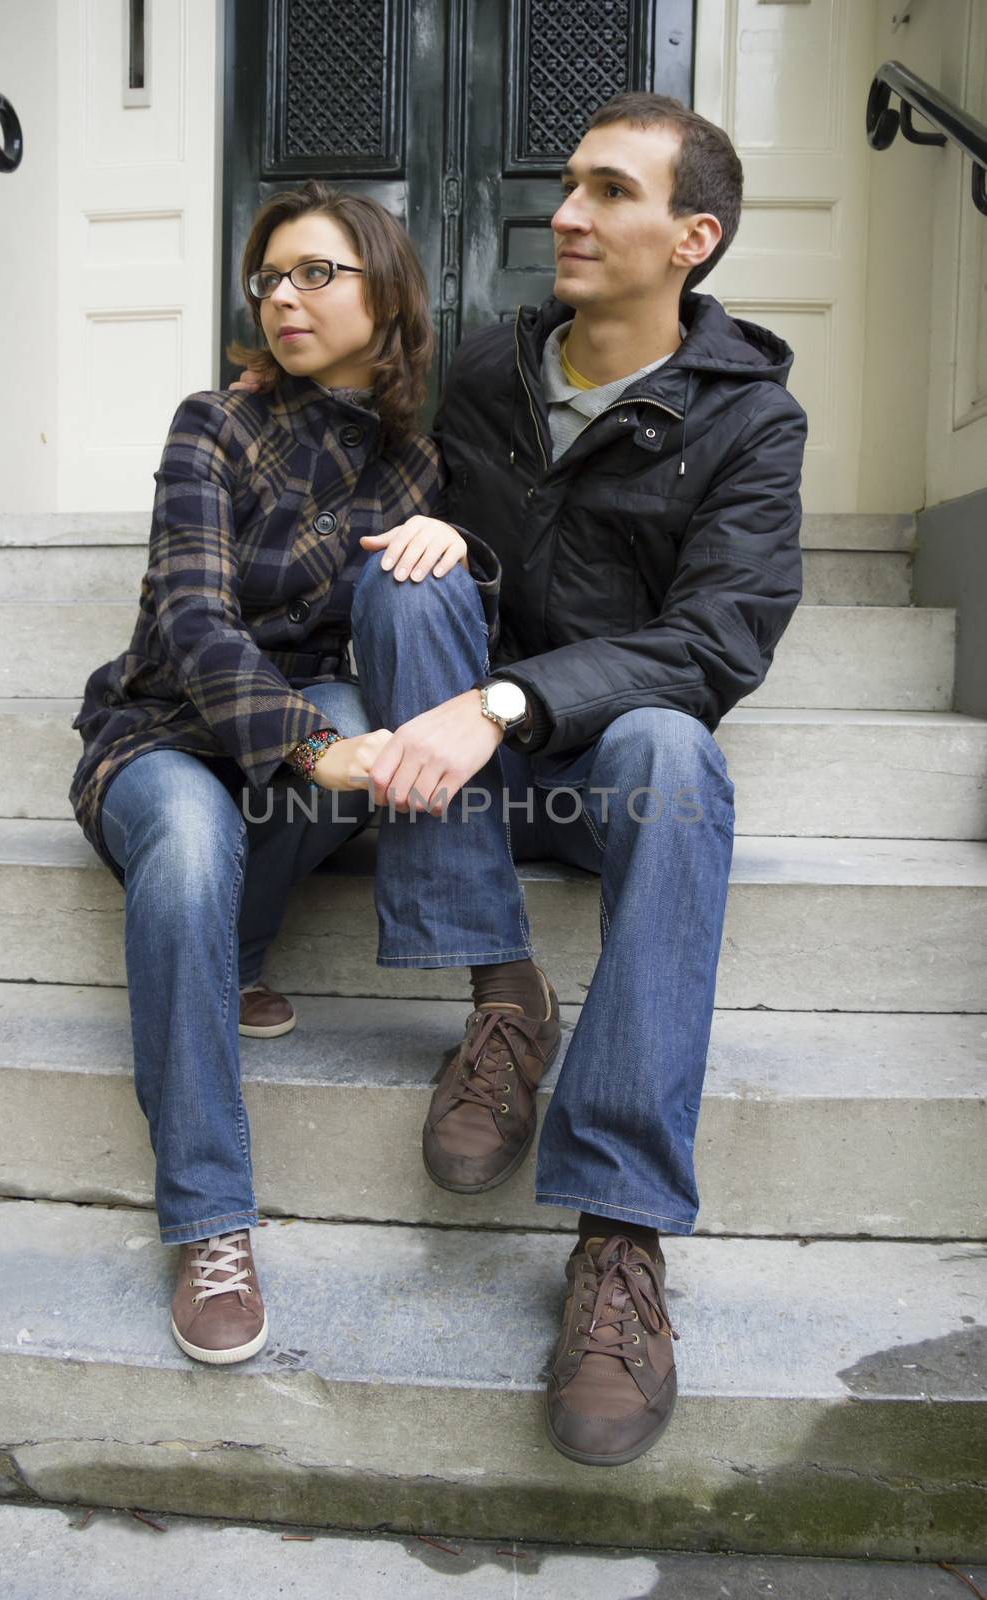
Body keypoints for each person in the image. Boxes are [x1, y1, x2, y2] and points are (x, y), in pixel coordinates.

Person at [333, 91, 807, 1466]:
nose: (568, 213)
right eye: (570, 186)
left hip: (599, 768)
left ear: (693, 238)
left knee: (677, 750)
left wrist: (514, 697)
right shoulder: (488, 369)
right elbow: (416, 512)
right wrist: (425, 539)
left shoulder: (752, 423)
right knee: (406, 576)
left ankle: (618, 1238)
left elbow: (719, 642)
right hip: (469, 772)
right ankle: (502, 998)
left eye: (609, 192)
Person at [68, 181, 499, 1366]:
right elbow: (194, 624)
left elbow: (468, 597)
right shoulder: (212, 419)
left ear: (387, 288)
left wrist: (462, 543)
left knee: (380, 716)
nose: (284, 296)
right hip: (160, 730)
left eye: (318, 272)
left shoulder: (418, 463)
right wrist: (316, 746)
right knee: (198, 838)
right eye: (270, 277)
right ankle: (210, 1223)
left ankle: (238, 949)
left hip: (298, 728)